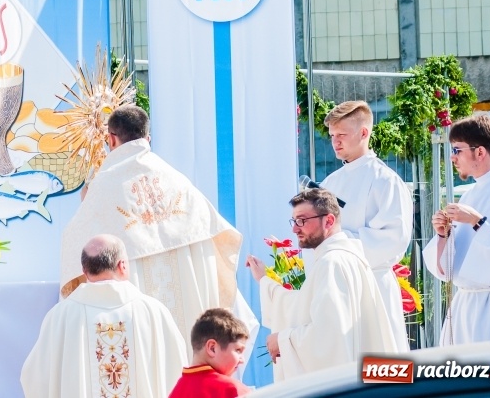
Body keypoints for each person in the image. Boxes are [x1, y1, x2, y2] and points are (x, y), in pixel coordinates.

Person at [60, 105, 257, 357]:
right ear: (147, 138)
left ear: (110, 139)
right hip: (190, 324)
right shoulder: (178, 181)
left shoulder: (102, 188)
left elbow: (74, 250)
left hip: (139, 322)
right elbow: (218, 238)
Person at [246, 188, 397, 381]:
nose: (294, 228)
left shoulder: (331, 263)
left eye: (302, 220)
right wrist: (265, 281)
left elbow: (329, 339)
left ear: (329, 221)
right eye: (294, 221)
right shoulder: (346, 258)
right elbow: (303, 305)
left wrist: (282, 340)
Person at [21, 234, 186, 398]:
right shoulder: (153, 312)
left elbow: (34, 378)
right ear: (122, 265)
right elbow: (178, 368)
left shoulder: (60, 316)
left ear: (84, 271)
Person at [424, 113, 490, 345]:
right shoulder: (470, 194)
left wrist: (477, 222)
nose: (452, 157)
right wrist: (443, 235)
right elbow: (449, 267)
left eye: (457, 150)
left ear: (479, 152)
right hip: (465, 306)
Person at [320, 100, 412, 352]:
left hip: (374, 287)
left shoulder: (385, 180)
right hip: (338, 290)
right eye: (332, 136)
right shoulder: (330, 182)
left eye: (342, 135)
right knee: (346, 369)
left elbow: (393, 241)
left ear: (364, 133)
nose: (335, 142)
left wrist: (339, 242)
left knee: (380, 365)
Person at [168, 308, 251, 398]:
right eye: (238, 350)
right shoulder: (232, 390)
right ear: (212, 348)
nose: (242, 360)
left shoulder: (177, 391)